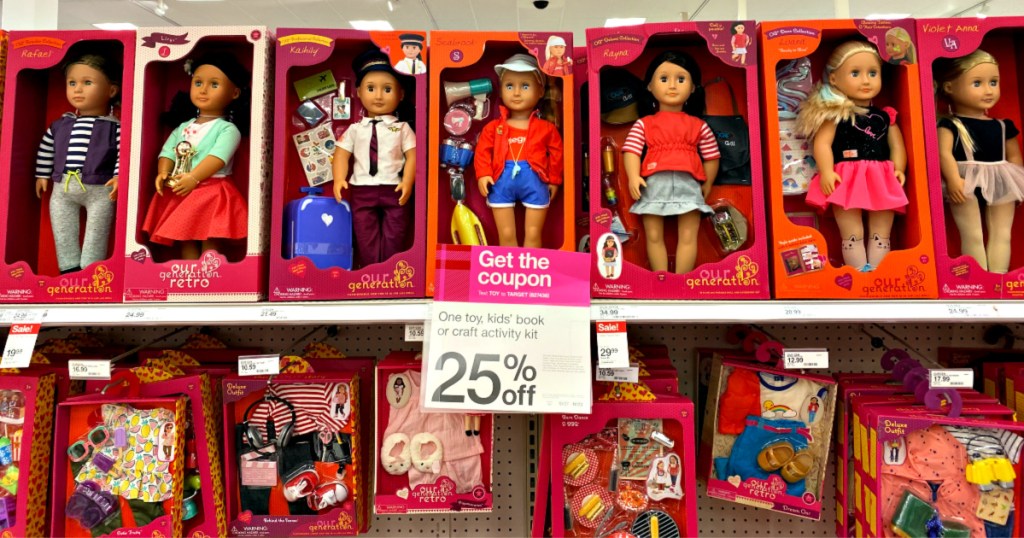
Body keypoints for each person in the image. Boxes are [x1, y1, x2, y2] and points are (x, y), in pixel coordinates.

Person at [796, 40, 908, 272]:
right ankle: (858, 274)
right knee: (852, 232)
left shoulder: (885, 116)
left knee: (881, 232)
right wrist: (827, 171)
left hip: (881, 176)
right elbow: (823, 144)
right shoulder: (836, 115)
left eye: (873, 73)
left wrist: (899, 169)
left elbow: (897, 145)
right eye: (855, 73)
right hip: (846, 176)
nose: (866, 80)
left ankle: (878, 274)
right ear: (834, 78)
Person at [142, 51, 250, 260]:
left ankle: (210, 271)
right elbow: (168, 151)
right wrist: (163, 172)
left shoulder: (227, 129)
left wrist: (193, 177)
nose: (203, 90)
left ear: (235, 93)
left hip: (212, 189)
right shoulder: (183, 126)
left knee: (210, 232)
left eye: (214, 84)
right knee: (184, 234)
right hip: (181, 186)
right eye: (198, 83)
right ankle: (189, 271)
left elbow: (218, 158)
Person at [624, 50, 720, 274]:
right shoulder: (644, 124)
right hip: (654, 184)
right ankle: (661, 279)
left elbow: (712, 155)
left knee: (688, 235)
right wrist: (633, 177)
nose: (673, 86)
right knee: (653, 235)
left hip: (689, 185)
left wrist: (708, 183)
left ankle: (682, 281)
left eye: (681, 79)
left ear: (693, 88)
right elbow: (631, 150)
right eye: (664, 79)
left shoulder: (698, 125)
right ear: (650, 86)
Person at [935, 50, 1024, 274]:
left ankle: (998, 278)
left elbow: (1014, 156)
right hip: (964, 180)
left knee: (1002, 232)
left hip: (1002, 178)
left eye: (993, 82)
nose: (989, 90)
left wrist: (1018, 183)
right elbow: (944, 153)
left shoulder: (1003, 125)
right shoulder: (950, 124)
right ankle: (978, 277)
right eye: (977, 83)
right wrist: (953, 179)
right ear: (949, 87)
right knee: (971, 233)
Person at [35, 50, 122, 274]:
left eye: (87, 82)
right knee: (62, 231)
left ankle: (91, 271)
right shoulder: (60, 125)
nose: (78, 89)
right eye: (72, 83)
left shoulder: (114, 127)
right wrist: (42, 175)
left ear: (111, 91)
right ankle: (69, 270)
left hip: (100, 189)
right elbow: (47, 149)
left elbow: (123, 153)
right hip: (62, 189)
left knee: (97, 232)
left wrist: (118, 175)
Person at [333, 49, 416, 268]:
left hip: (394, 187)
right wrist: (339, 179)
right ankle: (370, 272)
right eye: (371, 88)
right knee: (364, 233)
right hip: (362, 189)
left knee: (396, 232)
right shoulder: (355, 129)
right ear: (359, 92)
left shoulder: (402, 128)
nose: (378, 96)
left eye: (387, 89)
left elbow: (413, 155)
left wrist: (408, 182)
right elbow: (341, 154)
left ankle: (389, 270)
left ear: (401, 94)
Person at [475, 53, 564, 247]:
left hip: (536, 180)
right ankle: (509, 265)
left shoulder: (546, 128)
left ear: (540, 91)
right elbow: (482, 151)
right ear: (501, 91)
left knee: (533, 233)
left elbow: (557, 153)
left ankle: (531, 265)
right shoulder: (493, 128)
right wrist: (483, 174)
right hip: (501, 180)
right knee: (506, 234)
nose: (516, 93)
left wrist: (554, 180)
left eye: (525, 86)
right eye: (509, 86)